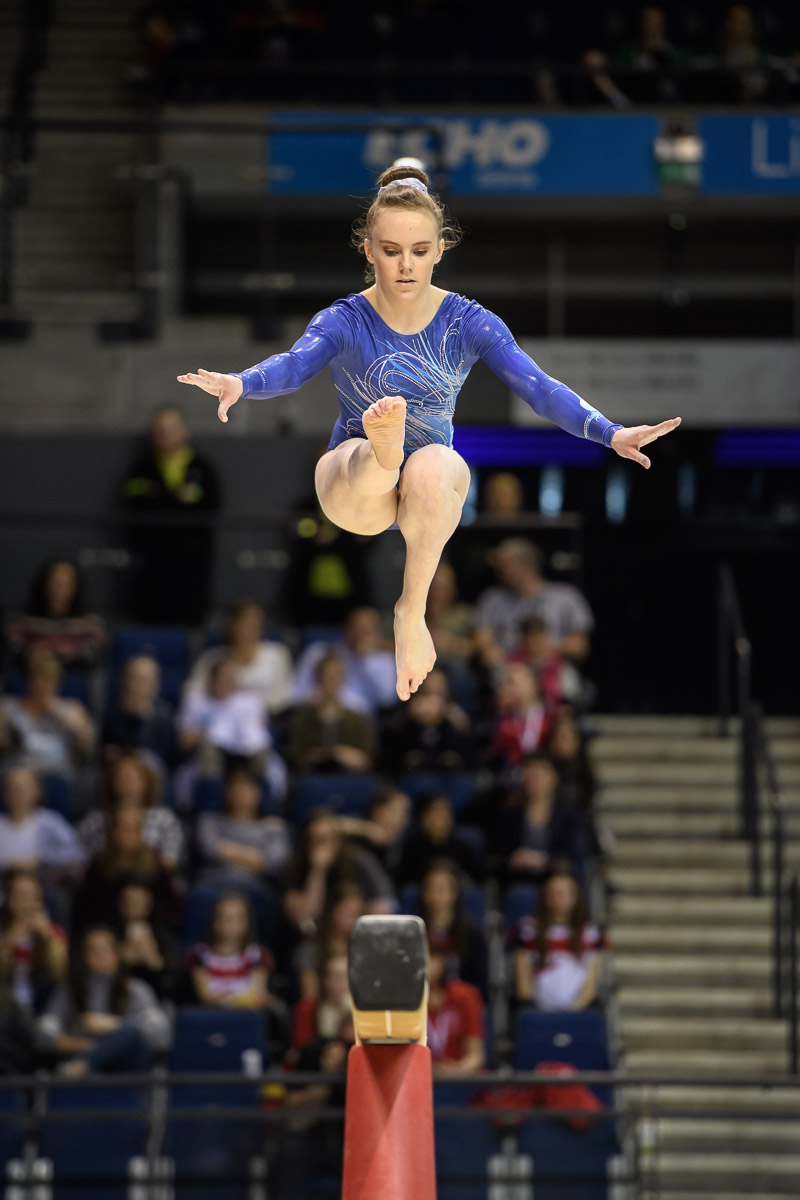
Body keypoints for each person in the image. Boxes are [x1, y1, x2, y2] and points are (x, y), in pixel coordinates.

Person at [178, 160, 680, 701]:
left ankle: (409, 609)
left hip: (427, 494)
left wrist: (609, 433)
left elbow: (537, 385)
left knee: (438, 463)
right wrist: (240, 382)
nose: (405, 266)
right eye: (390, 251)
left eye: (419, 251)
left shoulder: (467, 322)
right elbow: (294, 365)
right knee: (368, 463)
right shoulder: (345, 319)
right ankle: (382, 450)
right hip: (352, 488)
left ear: (441, 248)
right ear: (368, 249)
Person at [120, 404, 221, 624]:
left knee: (188, 621)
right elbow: (132, 503)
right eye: (160, 430)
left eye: (171, 429)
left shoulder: (202, 468)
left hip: (191, 563)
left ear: (185, 431)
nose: (165, 435)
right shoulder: (142, 468)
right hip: (152, 560)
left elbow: (212, 506)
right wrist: (175, 500)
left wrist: (160, 499)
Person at [36, 923, 170, 1073]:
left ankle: (83, 1066)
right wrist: (87, 1045)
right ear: (84, 955)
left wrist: (112, 1025)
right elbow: (43, 1034)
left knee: (133, 1030)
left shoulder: (136, 989)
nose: (100, 955)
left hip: (125, 1071)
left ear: (117, 953)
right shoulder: (69, 990)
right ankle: (84, 1066)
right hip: (80, 1064)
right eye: (93, 950)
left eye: (106, 949)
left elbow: (160, 1033)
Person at [475, 539, 594, 662]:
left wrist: (543, 647)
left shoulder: (566, 596)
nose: (498, 573)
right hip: (509, 668)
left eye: (505, 566)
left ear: (527, 566)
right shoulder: (493, 598)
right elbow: (483, 642)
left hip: (553, 668)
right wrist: (493, 652)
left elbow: (580, 646)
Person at [282, 809, 395, 938]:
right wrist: (318, 871)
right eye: (316, 840)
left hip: (359, 933)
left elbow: (383, 903)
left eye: (327, 839)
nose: (322, 847)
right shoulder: (295, 868)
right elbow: (304, 918)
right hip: (318, 940)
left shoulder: (358, 860)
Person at [507, 864, 605, 1011]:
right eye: (552, 894)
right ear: (544, 896)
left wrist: (575, 1010)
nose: (557, 900)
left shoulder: (590, 932)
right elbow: (523, 985)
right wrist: (532, 1008)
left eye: (562, 894)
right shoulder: (527, 929)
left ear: (574, 897)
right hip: (537, 1010)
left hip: (578, 1010)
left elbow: (590, 985)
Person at [183, 599, 293, 716]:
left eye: (253, 624)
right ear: (231, 626)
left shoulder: (277, 654)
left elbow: (285, 694)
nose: (247, 630)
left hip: (266, 718)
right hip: (220, 716)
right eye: (243, 624)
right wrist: (218, 703)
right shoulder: (212, 658)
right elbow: (192, 693)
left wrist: (252, 707)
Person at [0, 649, 96, 781]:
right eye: (37, 679)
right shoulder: (9, 707)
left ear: (57, 683)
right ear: (28, 681)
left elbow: (87, 747)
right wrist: (10, 742)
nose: (42, 685)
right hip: (17, 778)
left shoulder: (71, 709)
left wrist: (59, 712)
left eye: (48, 680)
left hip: (58, 779)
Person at [79, 752, 184, 871]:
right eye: (121, 778)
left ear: (147, 782)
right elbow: (82, 862)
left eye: (134, 778)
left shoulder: (165, 819)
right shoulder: (95, 821)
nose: (128, 784)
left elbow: (171, 861)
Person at [196, 765, 292, 887]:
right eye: (236, 786)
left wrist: (225, 849)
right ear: (227, 792)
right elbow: (210, 849)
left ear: (259, 793)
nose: (241, 792)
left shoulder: (274, 827)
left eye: (248, 787)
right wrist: (256, 857)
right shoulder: (209, 820)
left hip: (256, 886)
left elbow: (274, 862)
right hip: (214, 881)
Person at [5, 559, 106, 675]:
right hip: (31, 676)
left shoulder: (89, 622)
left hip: (72, 675)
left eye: (65, 584)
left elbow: (93, 654)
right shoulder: (24, 620)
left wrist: (69, 657)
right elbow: (14, 649)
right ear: (45, 584)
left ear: (76, 587)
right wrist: (31, 655)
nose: (59, 590)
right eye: (55, 582)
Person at [493, 753, 580, 887]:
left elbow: (571, 854)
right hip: (516, 879)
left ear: (553, 778)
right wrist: (514, 859)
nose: (534, 781)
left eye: (539, 776)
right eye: (530, 775)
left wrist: (544, 861)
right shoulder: (510, 814)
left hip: (554, 879)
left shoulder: (567, 815)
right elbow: (497, 856)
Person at [291, 607, 397, 714]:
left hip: (358, 719)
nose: (363, 635)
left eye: (368, 630)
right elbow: (295, 694)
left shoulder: (384, 660)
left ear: (377, 633)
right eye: (359, 628)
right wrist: (322, 697)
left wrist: (367, 659)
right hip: (317, 715)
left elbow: (387, 700)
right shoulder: (318, 652)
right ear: (347, 629)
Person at [186, 891, 278, 1014]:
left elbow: (256, 991)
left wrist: (231, 999)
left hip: (247, 1016)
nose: (230, 924)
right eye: (225, 918)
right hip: (212, 1015)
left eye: (237, 918)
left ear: (246, 923)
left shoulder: (258, 955)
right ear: (215, 922)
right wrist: (237, 999)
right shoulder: (199, 955)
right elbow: (205, 996)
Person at [287, 652, 377, 774]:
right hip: (314, 778)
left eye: (336, 676)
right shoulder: (305, 718)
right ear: (318, 679)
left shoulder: (357, 718)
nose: (332, 681)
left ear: (343, 679)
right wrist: (322, 755)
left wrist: (342, 754)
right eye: (328, 676)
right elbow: (297, 757)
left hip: (350, 778)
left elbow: (367, 758)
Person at [0, 869, 68, 1014]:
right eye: (20, 896)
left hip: (40, 1003)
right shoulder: (3, 930)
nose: (26, 902)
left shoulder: (52, 931)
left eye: (31, 896)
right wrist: (12, 937)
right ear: (9, 900)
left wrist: (47, 936)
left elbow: (60, 973)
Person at [0, 765, 86, 878]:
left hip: (42, 885)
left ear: (37, 791)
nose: (19, 794)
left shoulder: (51, 822)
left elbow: (76, 852)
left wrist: (42, 860)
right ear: (5, 793)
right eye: (13, 788)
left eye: (24, 788)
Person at [418, 860, 488, 997]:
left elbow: (479, 984)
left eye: (441, 889)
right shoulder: (414, 931)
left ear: (454, 893)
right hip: (423, 1003)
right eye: (430, 889)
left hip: (460, 1003)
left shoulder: (472, 933)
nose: (435, 896)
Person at [382, 668, 470, 773]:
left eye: (438, 692)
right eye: (428, 691)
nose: (432, 699)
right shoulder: (407, 708)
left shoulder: (454, 710)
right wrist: (410, 716)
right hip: (410, 769)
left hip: (447, 768)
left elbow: (467, 740)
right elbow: (390, 736)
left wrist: (449, 717)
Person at [102, 655, 176, 769]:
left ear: (156, 685)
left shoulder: (165, 716)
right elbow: (106, 749)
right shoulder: (112, 713)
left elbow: (166, 756)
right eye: (136, 679)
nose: (140, 687)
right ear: (125, 681)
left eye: (146, 680)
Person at [398, 791, 484, 886]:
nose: (442, 817)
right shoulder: (412, 849)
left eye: (445, 812)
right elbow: (404, 881)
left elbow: (476, 879)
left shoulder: (462, 847)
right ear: (423, 818)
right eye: (436, 812)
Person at [426, 944, 485, 1077]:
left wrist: (457, 1070)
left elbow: (476, 1056)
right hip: (418, 1079)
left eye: (433, 957)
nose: (427, 964)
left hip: (458, 1079)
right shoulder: (403, 1001)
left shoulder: (465, 996)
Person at [490, 662, 551, 771]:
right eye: (504, 683)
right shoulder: (502, 720)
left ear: (531, 684)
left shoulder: (550, 717)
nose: (506, 688)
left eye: (511, 682)